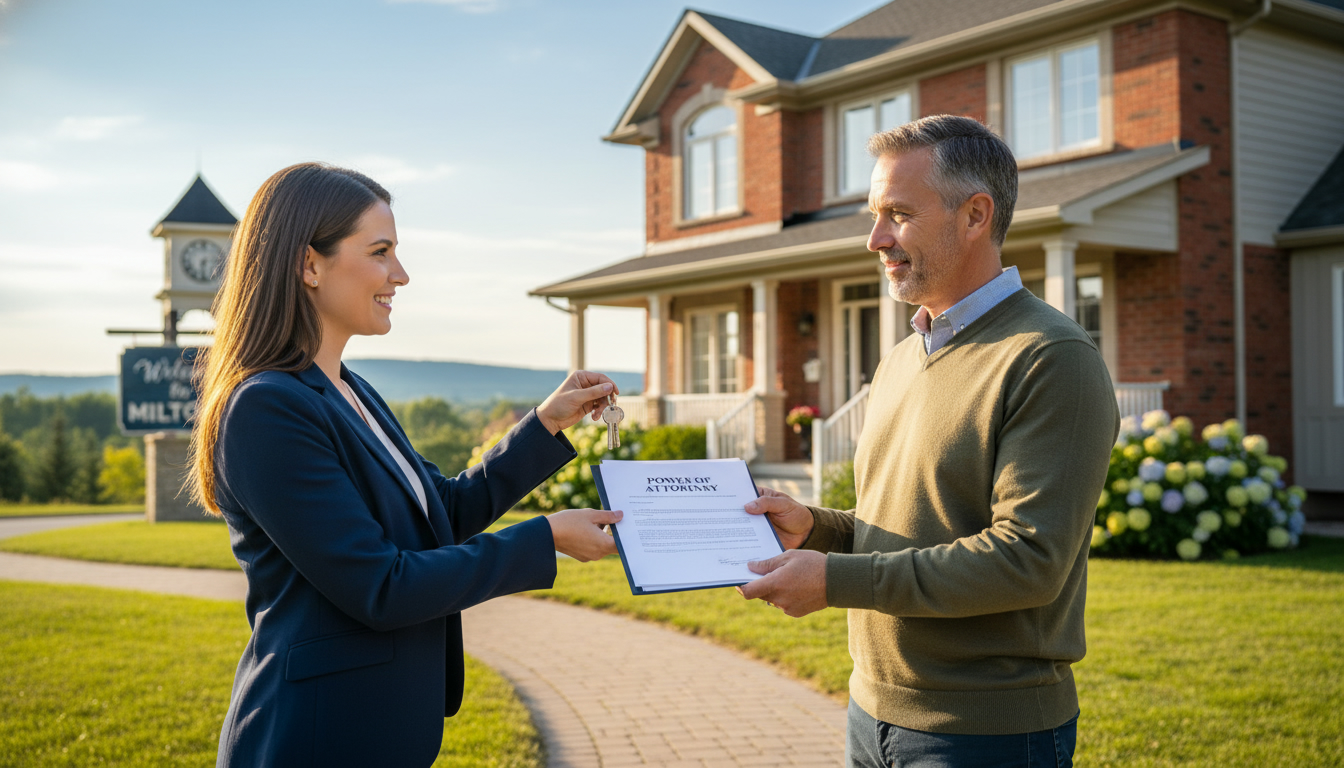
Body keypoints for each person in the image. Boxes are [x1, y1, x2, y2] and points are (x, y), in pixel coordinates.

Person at [185, 162, 622, 768]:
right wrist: (545, 539)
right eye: (381, 251)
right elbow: (380, 586)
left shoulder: (350, 389)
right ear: (308, 264)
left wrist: (545, 423)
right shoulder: (265, 409)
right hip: (315, 738)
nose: (402, 275)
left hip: (379, 731)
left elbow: (436, 512)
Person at [739, 115, 1119, 767]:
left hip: (986, 732)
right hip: (871, 711)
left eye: (897, 215)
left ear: (975, 215)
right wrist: (817, 529)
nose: (874, 239)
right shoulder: (899, 360)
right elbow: (908, 522)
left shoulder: (1050, 357)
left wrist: (834, 580)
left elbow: (1027, 560)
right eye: (874, 214)